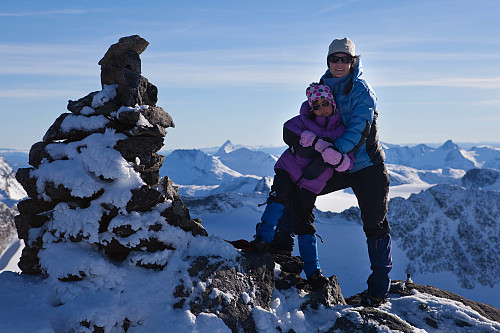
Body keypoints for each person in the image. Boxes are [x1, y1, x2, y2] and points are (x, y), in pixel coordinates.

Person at [278, 37, 392, 306]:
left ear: (354, 62)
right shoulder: (322, 86)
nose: (339, 64)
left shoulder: (363, 90)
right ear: (328, 61)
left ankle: (378, 289)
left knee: (375, 225)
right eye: (334, 59)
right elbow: (312, 115)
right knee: (296, 189)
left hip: (365, 165)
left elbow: (358, 129)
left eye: (345, 59)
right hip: (335, 160)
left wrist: (330, 153)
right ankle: (281, 249)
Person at [250, 82, 354, 288]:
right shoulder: (304, 120)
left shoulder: (342, 128)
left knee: (304, 222)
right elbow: (288, 129)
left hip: (311, 183)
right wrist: (314, 142)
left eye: (325, 103)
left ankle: (313, 272)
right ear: (310, 108)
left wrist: (336, 158)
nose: (321, 108)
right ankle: (263, 239)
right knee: (278, 197)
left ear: (332, 103)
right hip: (289, 168)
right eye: (316, 105)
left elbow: (347, 162)